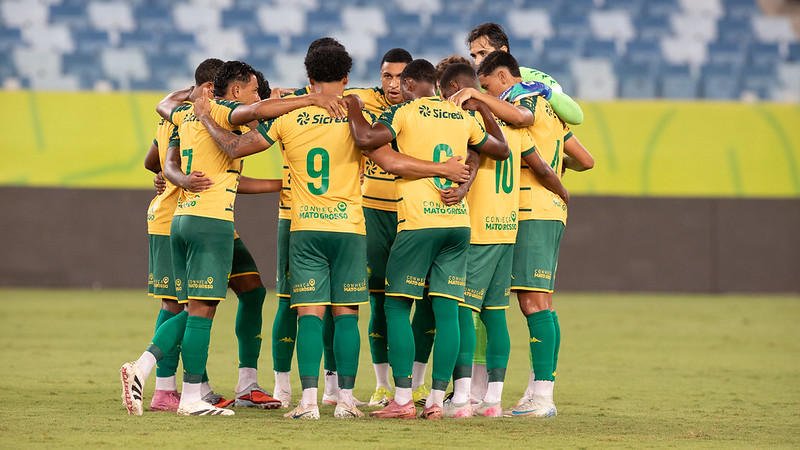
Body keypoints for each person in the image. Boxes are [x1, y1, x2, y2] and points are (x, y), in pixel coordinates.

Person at [194, 46, 471, 419]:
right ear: (345, 79)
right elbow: (390, 162)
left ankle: (308, 402)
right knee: (346, 316)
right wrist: (441, 169)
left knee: (309, 314)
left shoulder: (289, 117)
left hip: (306, 228)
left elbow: (233, 146)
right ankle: (345, 400)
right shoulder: (357, 121)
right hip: (351, 229)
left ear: (309, 79)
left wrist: (205, 116)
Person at [344, 58, 510, 419]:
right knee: (447, 311)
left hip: (419, 223)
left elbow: (366, 139)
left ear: (408, 85)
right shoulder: (461, 115)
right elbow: (500, 148)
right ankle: (437, 401)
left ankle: (403, 399)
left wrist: (354, 104)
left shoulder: (404, 112)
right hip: (458, 223)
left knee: (395, 307)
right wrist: (482, 105)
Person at [438, 62, 569, 418]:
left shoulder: (477, 123)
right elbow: (549, 165)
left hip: (481, 229)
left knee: (467, 311)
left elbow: (471, 162)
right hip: (508, 229)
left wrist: (459, 188)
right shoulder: (526, 123)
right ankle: (493, 399)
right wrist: (563, 192)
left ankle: (464, 397)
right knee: (498, 314)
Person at [476, 50, 594, 417]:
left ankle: (542, 396)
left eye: (486, 86)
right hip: (549, 211)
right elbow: (586, 160)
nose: (487, 93)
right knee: (541, 302)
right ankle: (537, 389)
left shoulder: (521, 101)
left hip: (531, 209)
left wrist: (476, 97)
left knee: (533, 303)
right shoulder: (551, 110)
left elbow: (519, 122)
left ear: (503, 77)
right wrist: (559, 165)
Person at [466, 22, 584, 126]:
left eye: (483, 53)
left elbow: (576, 116)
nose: (477, 62)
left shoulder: (534, 78)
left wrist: (543, 90)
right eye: (474, 56)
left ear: (502, 51)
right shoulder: (478, 85)